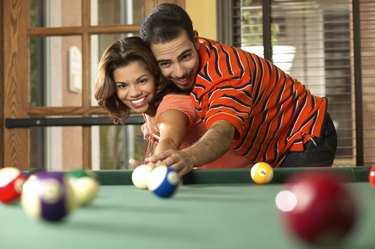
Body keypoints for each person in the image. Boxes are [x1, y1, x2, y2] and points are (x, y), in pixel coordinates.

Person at [139, 3, 337, 176]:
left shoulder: (226, 74)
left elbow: (222, 132)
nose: (180, 72)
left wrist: (187, 157)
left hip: (306, 134)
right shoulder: (166, 70)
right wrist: (155, 160)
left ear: (196, 39)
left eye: (185, 57)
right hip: (271, 145)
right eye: (166, 63)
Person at [94, 36, 249, 170]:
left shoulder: (173, 104)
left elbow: (169, 140)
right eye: (122, 85)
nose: (134, 92)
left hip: (241, 183)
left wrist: (157, 164)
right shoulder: (151, 104)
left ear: (156, 76)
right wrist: (151, 163)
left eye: (142, 81)